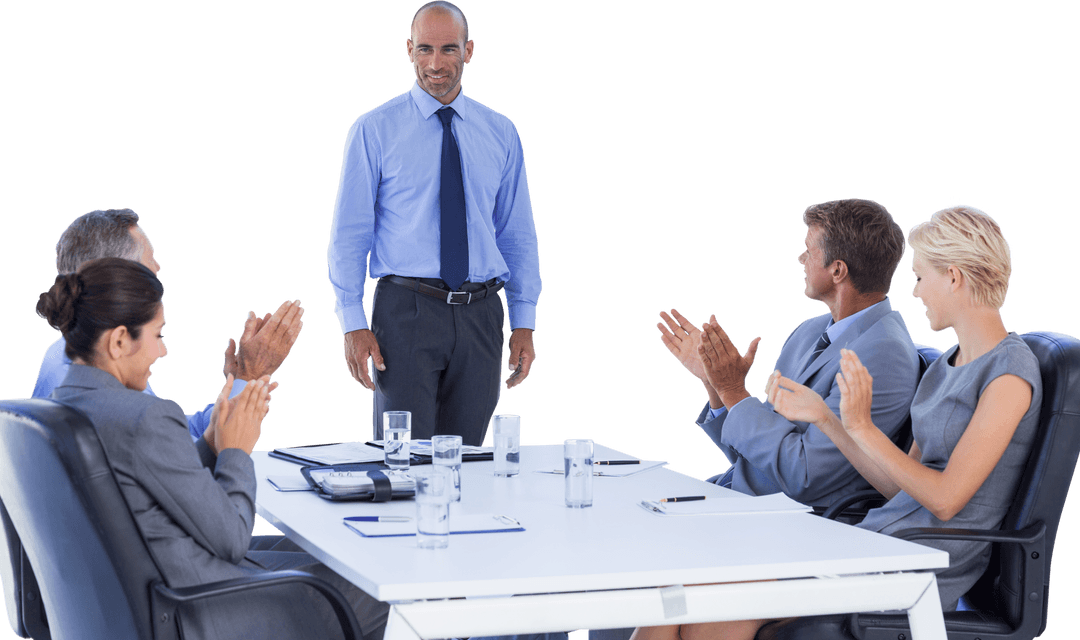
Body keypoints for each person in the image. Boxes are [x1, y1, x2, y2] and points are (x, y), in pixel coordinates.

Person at [637, 205, 1042, 640]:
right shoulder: (947, 365)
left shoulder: (1010, 374)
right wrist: (830, 420)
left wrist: (863, 429)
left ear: (954, 277)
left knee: (714, 617)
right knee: (678, 598)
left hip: (920, 561)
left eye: (922, 278)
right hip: (877, 539)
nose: (917, 291)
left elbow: (945, 501)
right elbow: (898, 488)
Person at [35, 257, 389, 640]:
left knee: (333, 554)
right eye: (157, 335)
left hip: (151, 595)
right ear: (120, 340)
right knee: (386, 587)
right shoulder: (142, 418)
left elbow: (146, 487)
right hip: (200, 610)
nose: (162, 351)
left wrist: (210, 443)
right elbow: (232, 539)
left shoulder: (59, 407)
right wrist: (236, 450)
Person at [327, 0, 542, 445]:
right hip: (406, 312)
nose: (436, 63)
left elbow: (516, 233)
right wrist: (352, 320)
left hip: (483, 314)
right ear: (409, 50)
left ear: (469, 51)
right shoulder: (373, 130)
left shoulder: (501, 132)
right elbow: (350, 233)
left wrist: (525, 319)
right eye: (425, 49)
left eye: (448, 49)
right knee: (403, 462)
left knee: (467, 465)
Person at [656, 199, 919, 508]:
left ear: (837, 270)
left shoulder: (883, 356)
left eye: (808, 250)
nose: (800, 258)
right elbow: (757, 455)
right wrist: (716, 383)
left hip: (784, 521)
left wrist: (733, 392)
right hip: (735, 495)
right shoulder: (810, 331)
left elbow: (801, 475)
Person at [32, 207, 304, 441]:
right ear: (114, 276)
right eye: (148, 269)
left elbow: (184, 435)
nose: (158, 271)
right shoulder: (101, 388)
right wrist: (251, 375)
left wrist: (244, 382)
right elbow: (192, 471)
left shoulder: (71, 355)